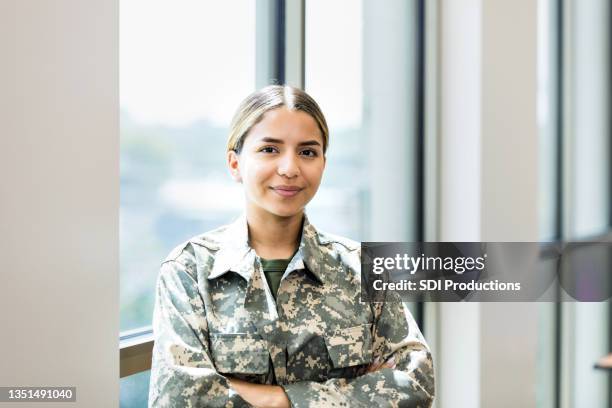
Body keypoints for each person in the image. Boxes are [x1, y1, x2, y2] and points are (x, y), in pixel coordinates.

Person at [148, 85, 435, 407]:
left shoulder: (361, 267)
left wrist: (270, 399)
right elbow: (179, 399)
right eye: (270, 150)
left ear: (323, 164)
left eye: (307, 152)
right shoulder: (190, 270)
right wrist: (355, 391)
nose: (289, 168)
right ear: (235, 164)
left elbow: (415, 383)